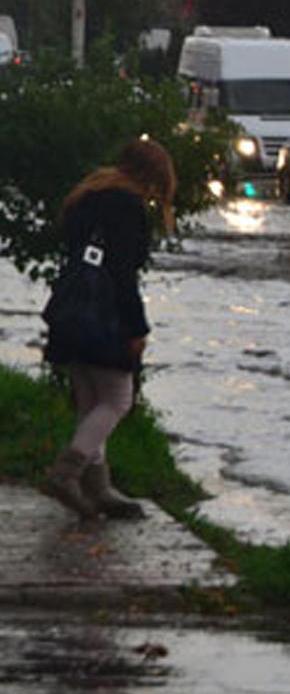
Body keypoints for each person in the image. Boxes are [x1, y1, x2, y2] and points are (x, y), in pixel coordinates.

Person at [40, 137, 177, 521]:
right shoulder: (127, 208)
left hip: (71, 312)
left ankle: (97, 486)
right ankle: (68, 472)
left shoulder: (88, 196)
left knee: (90, 400)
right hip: (104, 319)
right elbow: (122, 274)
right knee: (118, 399)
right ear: (151, 178)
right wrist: (137, 327)